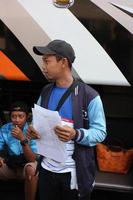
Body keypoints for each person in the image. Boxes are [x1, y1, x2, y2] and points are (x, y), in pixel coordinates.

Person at [27, 39, 107, 200]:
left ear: (63, 62)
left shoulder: (89, 96)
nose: (43, 66)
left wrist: (75, 134)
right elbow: (37, 124)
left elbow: (100, 133)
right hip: (46, 171)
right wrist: (32, 130)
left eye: (47, 61)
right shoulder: (46, 91)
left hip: (74, 175)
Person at [0, 101, 38, 200]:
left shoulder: (33, 130)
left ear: (27, 116)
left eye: (21, 116)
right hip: (11, 166)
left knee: (31, 169)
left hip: (26, 166)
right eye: (13, 116)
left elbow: (32, 159)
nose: (17, 120)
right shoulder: (5, 128)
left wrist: (22, 139)